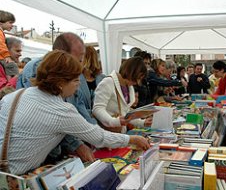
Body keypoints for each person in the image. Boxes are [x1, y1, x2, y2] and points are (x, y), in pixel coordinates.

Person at [0, 50, 150, 175]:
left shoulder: (15, 95)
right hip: (13, 174)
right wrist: (132, 139)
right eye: (76, 82)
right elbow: (99, 137)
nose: (78, 87)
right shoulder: (61, 110)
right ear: (60, 83)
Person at [17, 32, 96, 163]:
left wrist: (94, 134)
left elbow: (81, 110)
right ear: (61, 54)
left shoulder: (74, 74)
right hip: (36, 155)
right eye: (80, 58)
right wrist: (78, 144)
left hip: (59, 151)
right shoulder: (37, 68)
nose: (82, 65)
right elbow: (50, 116)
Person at [93, 57, 152, 133]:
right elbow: (97, 109)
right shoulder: (108, 82)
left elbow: (126, 113)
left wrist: (142, 122)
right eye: (138, 78)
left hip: (119, 133)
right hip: (107, 133)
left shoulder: (128, 86)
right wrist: (114, 121)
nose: (138, 82)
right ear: (131, 72)